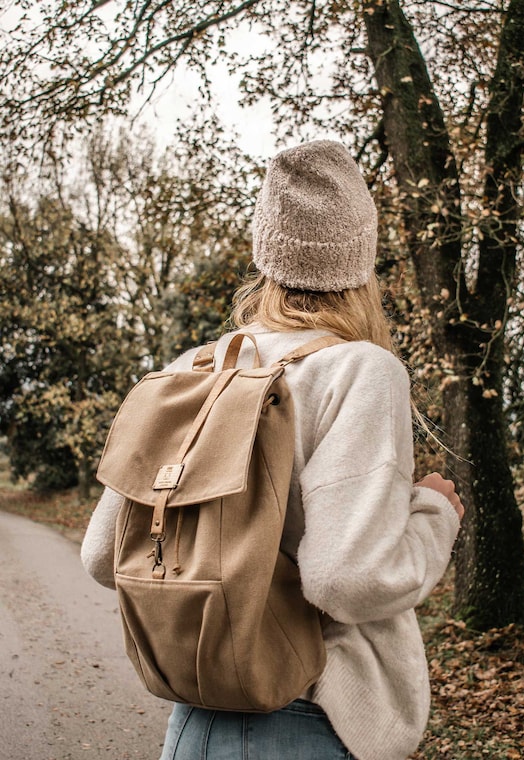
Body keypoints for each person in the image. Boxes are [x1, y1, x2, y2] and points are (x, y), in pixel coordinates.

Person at [81, 139, 464, 760]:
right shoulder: (360, 371)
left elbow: (104, 557)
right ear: (360, 259)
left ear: (265, 251)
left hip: (191, 725)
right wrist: (433, 515)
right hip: (303, 716)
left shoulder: (190, 373)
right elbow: (347, 580)